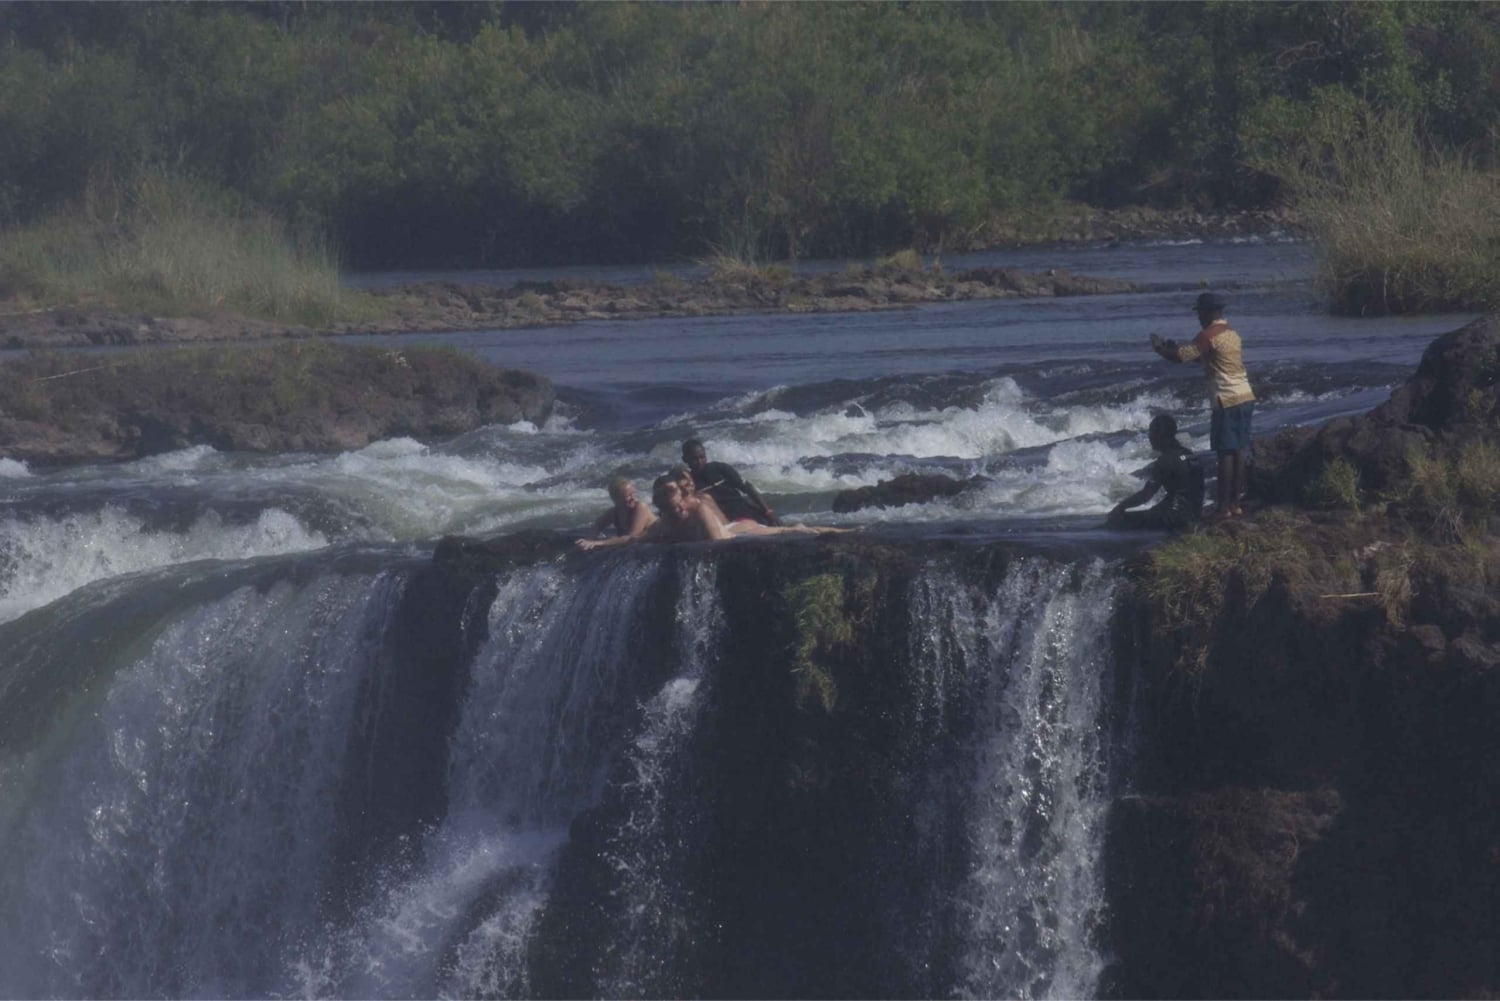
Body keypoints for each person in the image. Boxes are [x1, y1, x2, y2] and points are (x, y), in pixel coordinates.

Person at [1150, 291, 1255, 519]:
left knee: (1225, 453)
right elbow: (1203, 356)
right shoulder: (1231, 333)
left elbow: (1180, 357)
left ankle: (1222, 507)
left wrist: (1160, 348)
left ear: (1208, 313)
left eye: (1200, 313)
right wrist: (1176, 347)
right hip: (1245, 395)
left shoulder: (1207, 335)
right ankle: (1235, 504)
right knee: (1239, 451)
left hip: (1226, 399)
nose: (1198, 318)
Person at [1107, 414, 1204, 530]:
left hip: (1174, 517)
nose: (1149, 437)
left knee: (1117, 520)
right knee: (1151, 512)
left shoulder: (1166, 460)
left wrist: (1120, 507)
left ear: (1159, 435)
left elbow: (1146, 495)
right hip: (1195, 513)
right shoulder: (1189, 454)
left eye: (1151, 432)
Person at [681, 438, 779, 525]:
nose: (699, 462)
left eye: (702, 457)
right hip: (724, 522)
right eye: (695, 459)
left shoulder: (720, 469)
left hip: (745, 510)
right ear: (685, 459)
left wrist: (767, 511)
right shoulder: (689, 483)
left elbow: (748, 488)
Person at [575, 475, 658, 550]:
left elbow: (632, 538)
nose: (633, 498)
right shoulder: (614, 512)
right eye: (628, 496)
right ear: (616, 499)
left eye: (633, 494)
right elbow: (597, 525)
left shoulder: (640, 507)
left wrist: (599, 543)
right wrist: (589, 540)